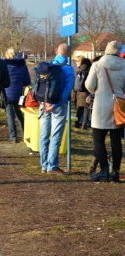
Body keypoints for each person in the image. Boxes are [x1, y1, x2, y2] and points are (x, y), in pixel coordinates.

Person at [84, 41, 125, 182]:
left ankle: (104, 171)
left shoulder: (97, 65)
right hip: (118, 106)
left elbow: (89, 85)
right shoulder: (124, 65)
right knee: (116, 141)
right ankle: (116, 172)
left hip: (100, 106)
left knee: (98, 140)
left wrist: (98, 91)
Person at [38, 43, 75, 174]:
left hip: (43, 105)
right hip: (58, 106)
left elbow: (36, 85)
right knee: (56, 135)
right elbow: (67, 90)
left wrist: (44, 102)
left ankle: (44, 165)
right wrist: (55, 104)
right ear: (69, 54)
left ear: (56, 52)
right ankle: (52, 166)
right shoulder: (69, 69)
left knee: (43, 135)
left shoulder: (45, 66)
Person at [3, 48, 31, 142]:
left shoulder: (5, 65)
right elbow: (27, 81)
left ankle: (13, 137)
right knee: (19, 113)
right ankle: (24, 134)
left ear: (7, 54)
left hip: (8, 93)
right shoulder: (23, 65)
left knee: (10, 114)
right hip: (19, 93)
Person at [74, 56, 92, 130]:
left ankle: (76, 122)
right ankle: (84, 125)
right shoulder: (88, 71)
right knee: (86, 109)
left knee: (80, 108)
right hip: (85, 91)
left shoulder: (79, 70)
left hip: (78, 92)